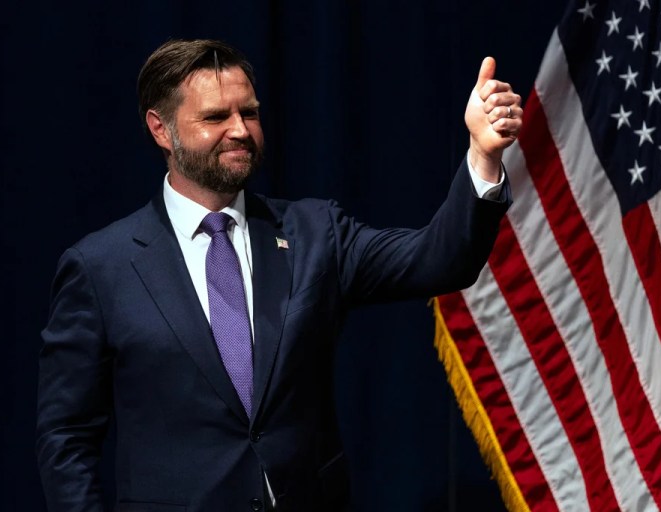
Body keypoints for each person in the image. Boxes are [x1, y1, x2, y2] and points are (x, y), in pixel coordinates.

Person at [36, 39, 521, 512]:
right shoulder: (102, 266)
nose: (241, 130)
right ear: (161, 129)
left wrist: (482, 155)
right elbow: (67, 438)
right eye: (215, 117)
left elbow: (440, 260)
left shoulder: (315, 233)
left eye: (248, 112)